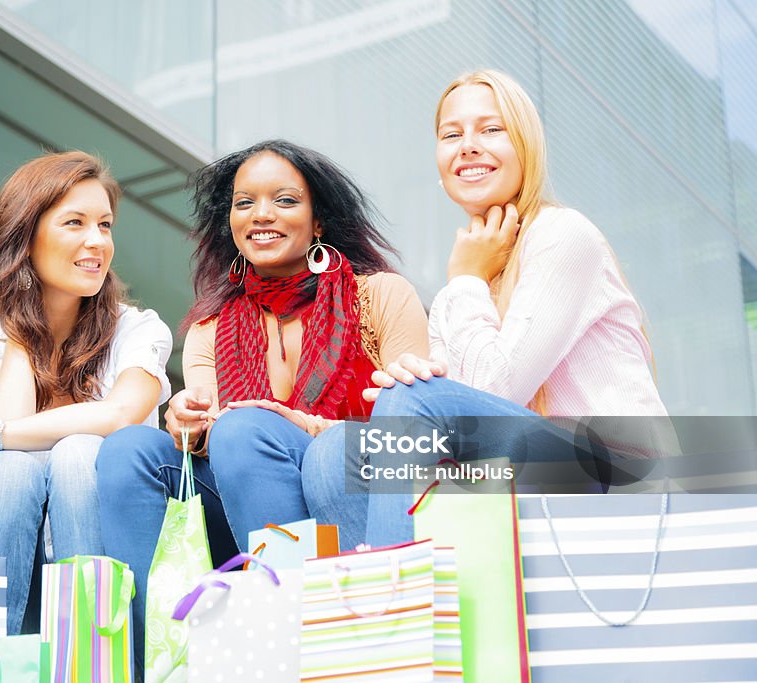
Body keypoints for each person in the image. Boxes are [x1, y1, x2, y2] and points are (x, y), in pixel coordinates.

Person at [96, 139, 430, 669]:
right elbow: (199, 440)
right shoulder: (210, 327)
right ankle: (155, 663)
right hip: (237, 502)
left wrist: (308, 428)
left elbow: (413, 433)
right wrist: (184, 423)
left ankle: (289, 651)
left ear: (318, 221)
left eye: (285, 201)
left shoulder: (381, 296)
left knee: (247, 430)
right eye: (244, 202)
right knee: (128, 449)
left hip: (352, 497)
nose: (262, 215)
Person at [349, 69, 668, 544]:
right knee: (340, 452)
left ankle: (398, 598)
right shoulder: (464, 285)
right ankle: (366, 599)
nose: (468, 146)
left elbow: (491, 392)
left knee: (410, 402)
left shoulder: (562, 236)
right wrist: (402, 392)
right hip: (528, 478)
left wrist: (466, 281)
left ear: (527, 146)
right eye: (450, 135)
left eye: (491, 129)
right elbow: (451, 414)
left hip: (618, 479)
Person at [0, 151, 173, 635]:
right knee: (8, 466)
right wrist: (26, 328)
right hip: (7, 583)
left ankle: (94, 655)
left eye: (105, 225)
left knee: (79, 453)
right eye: (75, 223)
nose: (97, 242)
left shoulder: (137, 330)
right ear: (26, 240)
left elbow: (122, 416)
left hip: (110, 584)